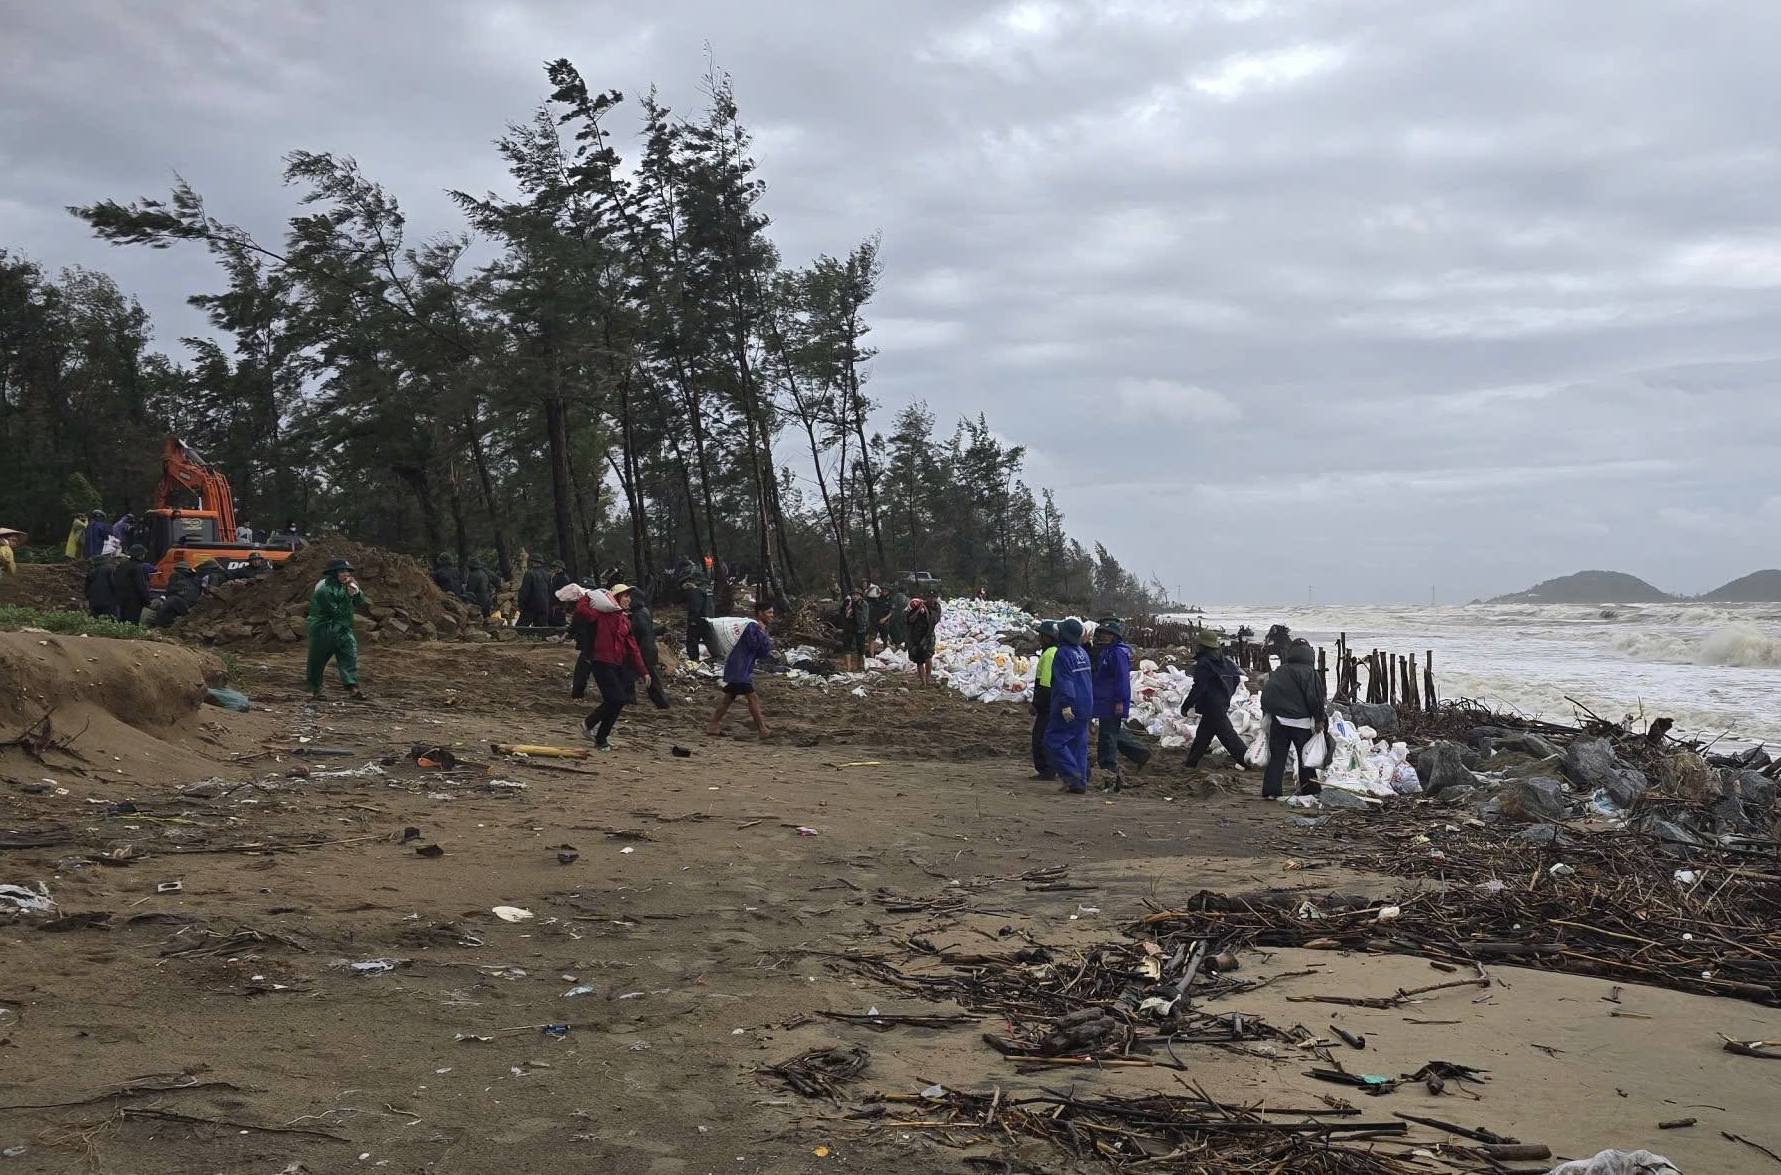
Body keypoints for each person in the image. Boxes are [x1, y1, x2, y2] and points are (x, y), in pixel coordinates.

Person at [575, 583, 651, 749]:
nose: (629, 600)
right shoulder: (600, 615)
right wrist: (587, 596)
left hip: (617, 664)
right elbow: (581, 610)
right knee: (616, 699)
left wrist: (643, 671)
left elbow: (633, 648)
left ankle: (593, 729)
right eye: (625, 596)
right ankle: (596, 733)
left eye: (629, 596)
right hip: (601, 662)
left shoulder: (625, 620)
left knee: (617, 701)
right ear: (615, 598)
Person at [1259, 638, 1327, 800]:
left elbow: (1267, 694)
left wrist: (1268, 713)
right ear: (1310, 655)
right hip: (1301, 723)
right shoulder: (1310, 673)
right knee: (1305, 757)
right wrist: (1319, 719)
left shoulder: (1280, 671)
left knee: (1277, 756)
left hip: (1279, 720)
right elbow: (1315, 699)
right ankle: (1309, 790)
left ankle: (1271, 790)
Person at [1091, 618, 1151, 788]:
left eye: (1107, 634)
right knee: (1110, 731)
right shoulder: (1107, 651)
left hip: (1112, 699)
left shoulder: (1117, 653)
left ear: (1114, 636)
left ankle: (1108, 765)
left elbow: (1121, 679)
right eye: (1102, 633)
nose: (1103, 636)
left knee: (1108, 734)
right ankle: (1138, 753)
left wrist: (1119, 701)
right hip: (1104, 698)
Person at [706, 602, 774, 739]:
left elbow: (763, 652)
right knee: (752, 697)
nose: (772, 615)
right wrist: (761, 633)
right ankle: (762, 729)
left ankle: (713, 725)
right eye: (769, 612)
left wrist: (762, 633)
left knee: (728, 698)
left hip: (741, 668)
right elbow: (754, 644)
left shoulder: (758, 628)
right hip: (739, 668)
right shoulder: (751, 627)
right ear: (760, 613)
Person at [1181, 630, 1248, 768]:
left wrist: (1186, 705)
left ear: (1203, 646)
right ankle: (1191, 762)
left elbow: (1199, 687)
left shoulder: (1204, 663)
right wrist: (1226, 695)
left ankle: (1247, 761)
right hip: (1221, 702)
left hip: (1211, 704)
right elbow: (1236, 679)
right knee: (1204, 734)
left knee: (1227, 736)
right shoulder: (1225, 660)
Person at [306, 558, 369, 699]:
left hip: (343, 628)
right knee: (317, 660)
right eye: (342, 571)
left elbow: (360, 602)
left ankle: (353, 687)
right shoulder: (323, 589)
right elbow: (336, 611)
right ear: (333, 573)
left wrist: (356, 592)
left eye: (347, 571)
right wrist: (349, 595)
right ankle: (315, 689)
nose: (346, 574)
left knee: (349, 655)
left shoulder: (347, 586)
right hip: (323, 628)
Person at [1044, 618, 1094, 794]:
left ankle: (1073, 777)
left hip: (1070, 704)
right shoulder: (1082, 653)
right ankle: (1080, 781)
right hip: (1086, 703)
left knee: (1053, 741)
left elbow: (1065, 681)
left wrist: (1066, 704)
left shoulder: (1063, 654)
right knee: (1078, 744)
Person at [1029, 620, 1059, 781]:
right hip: (1054, 701)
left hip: (1047, 703)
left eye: (1041, 636)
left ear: (1048, 637)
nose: (1039, 639)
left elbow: (1045, 683)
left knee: (1040, 736)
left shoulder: (1048, 655)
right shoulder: (1056, 651)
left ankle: (1046, 769)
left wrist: (1037, 704)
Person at [630, 587, 669, 709]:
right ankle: (660, 702)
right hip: (648, 648)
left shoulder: (638, 615)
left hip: (644, 650)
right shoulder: (644, 611)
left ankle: (661, 702)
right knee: (642, 676)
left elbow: (639, 631)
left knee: (650, 678)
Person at [111, 545, 152, 624]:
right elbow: (141, 585)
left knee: (122, 622)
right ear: (140, 555)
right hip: (134, 601)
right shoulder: (138, 567)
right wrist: (147, 601)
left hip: (120, 599)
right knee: (132, 623)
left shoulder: (122, 565)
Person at [905, 595, 937, 686]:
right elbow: (910, 620)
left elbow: (933, 621)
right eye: (930, 597)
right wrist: (918, 610)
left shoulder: (933, 609)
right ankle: (923, 682)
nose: (932, 600)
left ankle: (928, 678)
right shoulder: (914, 608)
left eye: (933, 598)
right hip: (915, 637)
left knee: (928, 657)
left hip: (927, 636)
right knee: (919, 660)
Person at [682, 573, 712, 661]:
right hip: (708, 618)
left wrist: (692, 621)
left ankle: (694, 660)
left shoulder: (696, 592)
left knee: (692, 641)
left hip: (697, 620)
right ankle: (715, 657)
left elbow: (695, 607)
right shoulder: (707, 590)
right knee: (709, 640)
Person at [840, 588, 871, 671]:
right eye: (853, 595)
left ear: (860, 596)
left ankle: (861, 665)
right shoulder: (848, 603)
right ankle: (848, 667)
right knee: (847, 647)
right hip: (849, 628)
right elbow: (842, 613)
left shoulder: (864, 604)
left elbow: (864, 618)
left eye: (857, 595)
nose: (855, 596)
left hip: (860, 629)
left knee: (861, 648)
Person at [84, 552, 121, 618]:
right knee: (110, 619)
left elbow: (86, 588)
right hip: (109, 602)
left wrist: (88, 598)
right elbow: (114, 585)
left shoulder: (91, 572)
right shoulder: (110, 569)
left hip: (94, 602)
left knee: (95, 619)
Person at [517, 560, 553, 627]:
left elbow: (525, 591)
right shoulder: (547, 574)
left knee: (520, 628)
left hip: (530, 606)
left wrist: (521, 604)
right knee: (542, 629)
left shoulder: (529, 573)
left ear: (533, 562)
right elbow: (550, 591)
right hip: (543, 606)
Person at [883, 585, 910, 650]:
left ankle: (895, 646)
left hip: (893, 618)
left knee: (894, 633)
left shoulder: (893, 598)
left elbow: (891, 608)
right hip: (904, 618)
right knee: (904, 634)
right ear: (905, 591)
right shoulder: (908, 599)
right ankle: (904, 648)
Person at [548, 562, 571, 626]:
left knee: (557, 624)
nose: (554, 569)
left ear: (560, 568)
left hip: (558, 607)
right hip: (555, 606)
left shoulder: (562, 578)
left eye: (556, 567)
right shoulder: (556, 577)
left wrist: (558, 604)